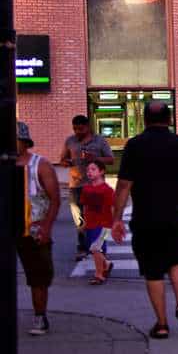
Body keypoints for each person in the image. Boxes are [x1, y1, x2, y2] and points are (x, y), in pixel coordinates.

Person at [112, 101, 178, 340]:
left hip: (145, 218)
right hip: (175, 215)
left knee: (153, 271)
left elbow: (124, 185)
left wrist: (116, 218)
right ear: (170, 119)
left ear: (144, 119)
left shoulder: (134, 146)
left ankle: (162, 324)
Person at [15, 122, 60, 336]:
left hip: (33, 230)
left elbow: (55, 199)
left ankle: (40, 316)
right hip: (9, 229)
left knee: (39, 276)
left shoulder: (40, 165)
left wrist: (47, 227)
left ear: (24, 142)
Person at [58, 114, 114, 261]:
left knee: (97, 219)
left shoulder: (99, 140)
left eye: (81, 129)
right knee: (80, 219)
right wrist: (67, 162)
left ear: (88, 127)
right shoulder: (70, 141)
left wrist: (95, 158)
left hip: (95, 186)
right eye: (75, 129)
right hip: (76, 185)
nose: (78, 132)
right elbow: (62, 160)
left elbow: (111, 159)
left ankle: (100, 247)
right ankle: (82, 248)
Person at [80, 160, 115, 285]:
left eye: (93, 169)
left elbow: (112, 208)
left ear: (102, 172)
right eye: (88, 169)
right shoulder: (86, 189)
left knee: (95, 249)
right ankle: (107, 263)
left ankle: (99, 275)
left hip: (104, 225)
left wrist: (114, 224)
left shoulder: (108, 190)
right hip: (90, 224)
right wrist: (84, 222)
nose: (89, 172)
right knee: (95, 249)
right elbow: (85, 206)